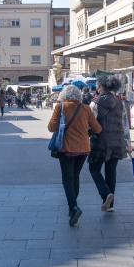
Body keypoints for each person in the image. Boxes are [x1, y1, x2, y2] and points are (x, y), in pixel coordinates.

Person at [48, 85, 102, 226]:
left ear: (64, 95)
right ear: (78, 96)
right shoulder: (86, 108)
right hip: (83, 148)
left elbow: (51, 128)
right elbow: (97, 128)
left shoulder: (60, 107)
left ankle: (73, 207)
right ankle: (73, 206)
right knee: (75, 176)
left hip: (66, 148)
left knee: (67, 179)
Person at [88, 76, 131, 213]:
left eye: (96, 86)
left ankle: (106, 194)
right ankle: (110, 205)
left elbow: (90, 123)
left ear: (101, 87)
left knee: (94, 169)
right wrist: (128, 143)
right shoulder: (120, 103)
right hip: (117, 141)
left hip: (101, 141)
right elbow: (125, 126)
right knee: (111, 171)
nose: (96, 88)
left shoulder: (95, 104)